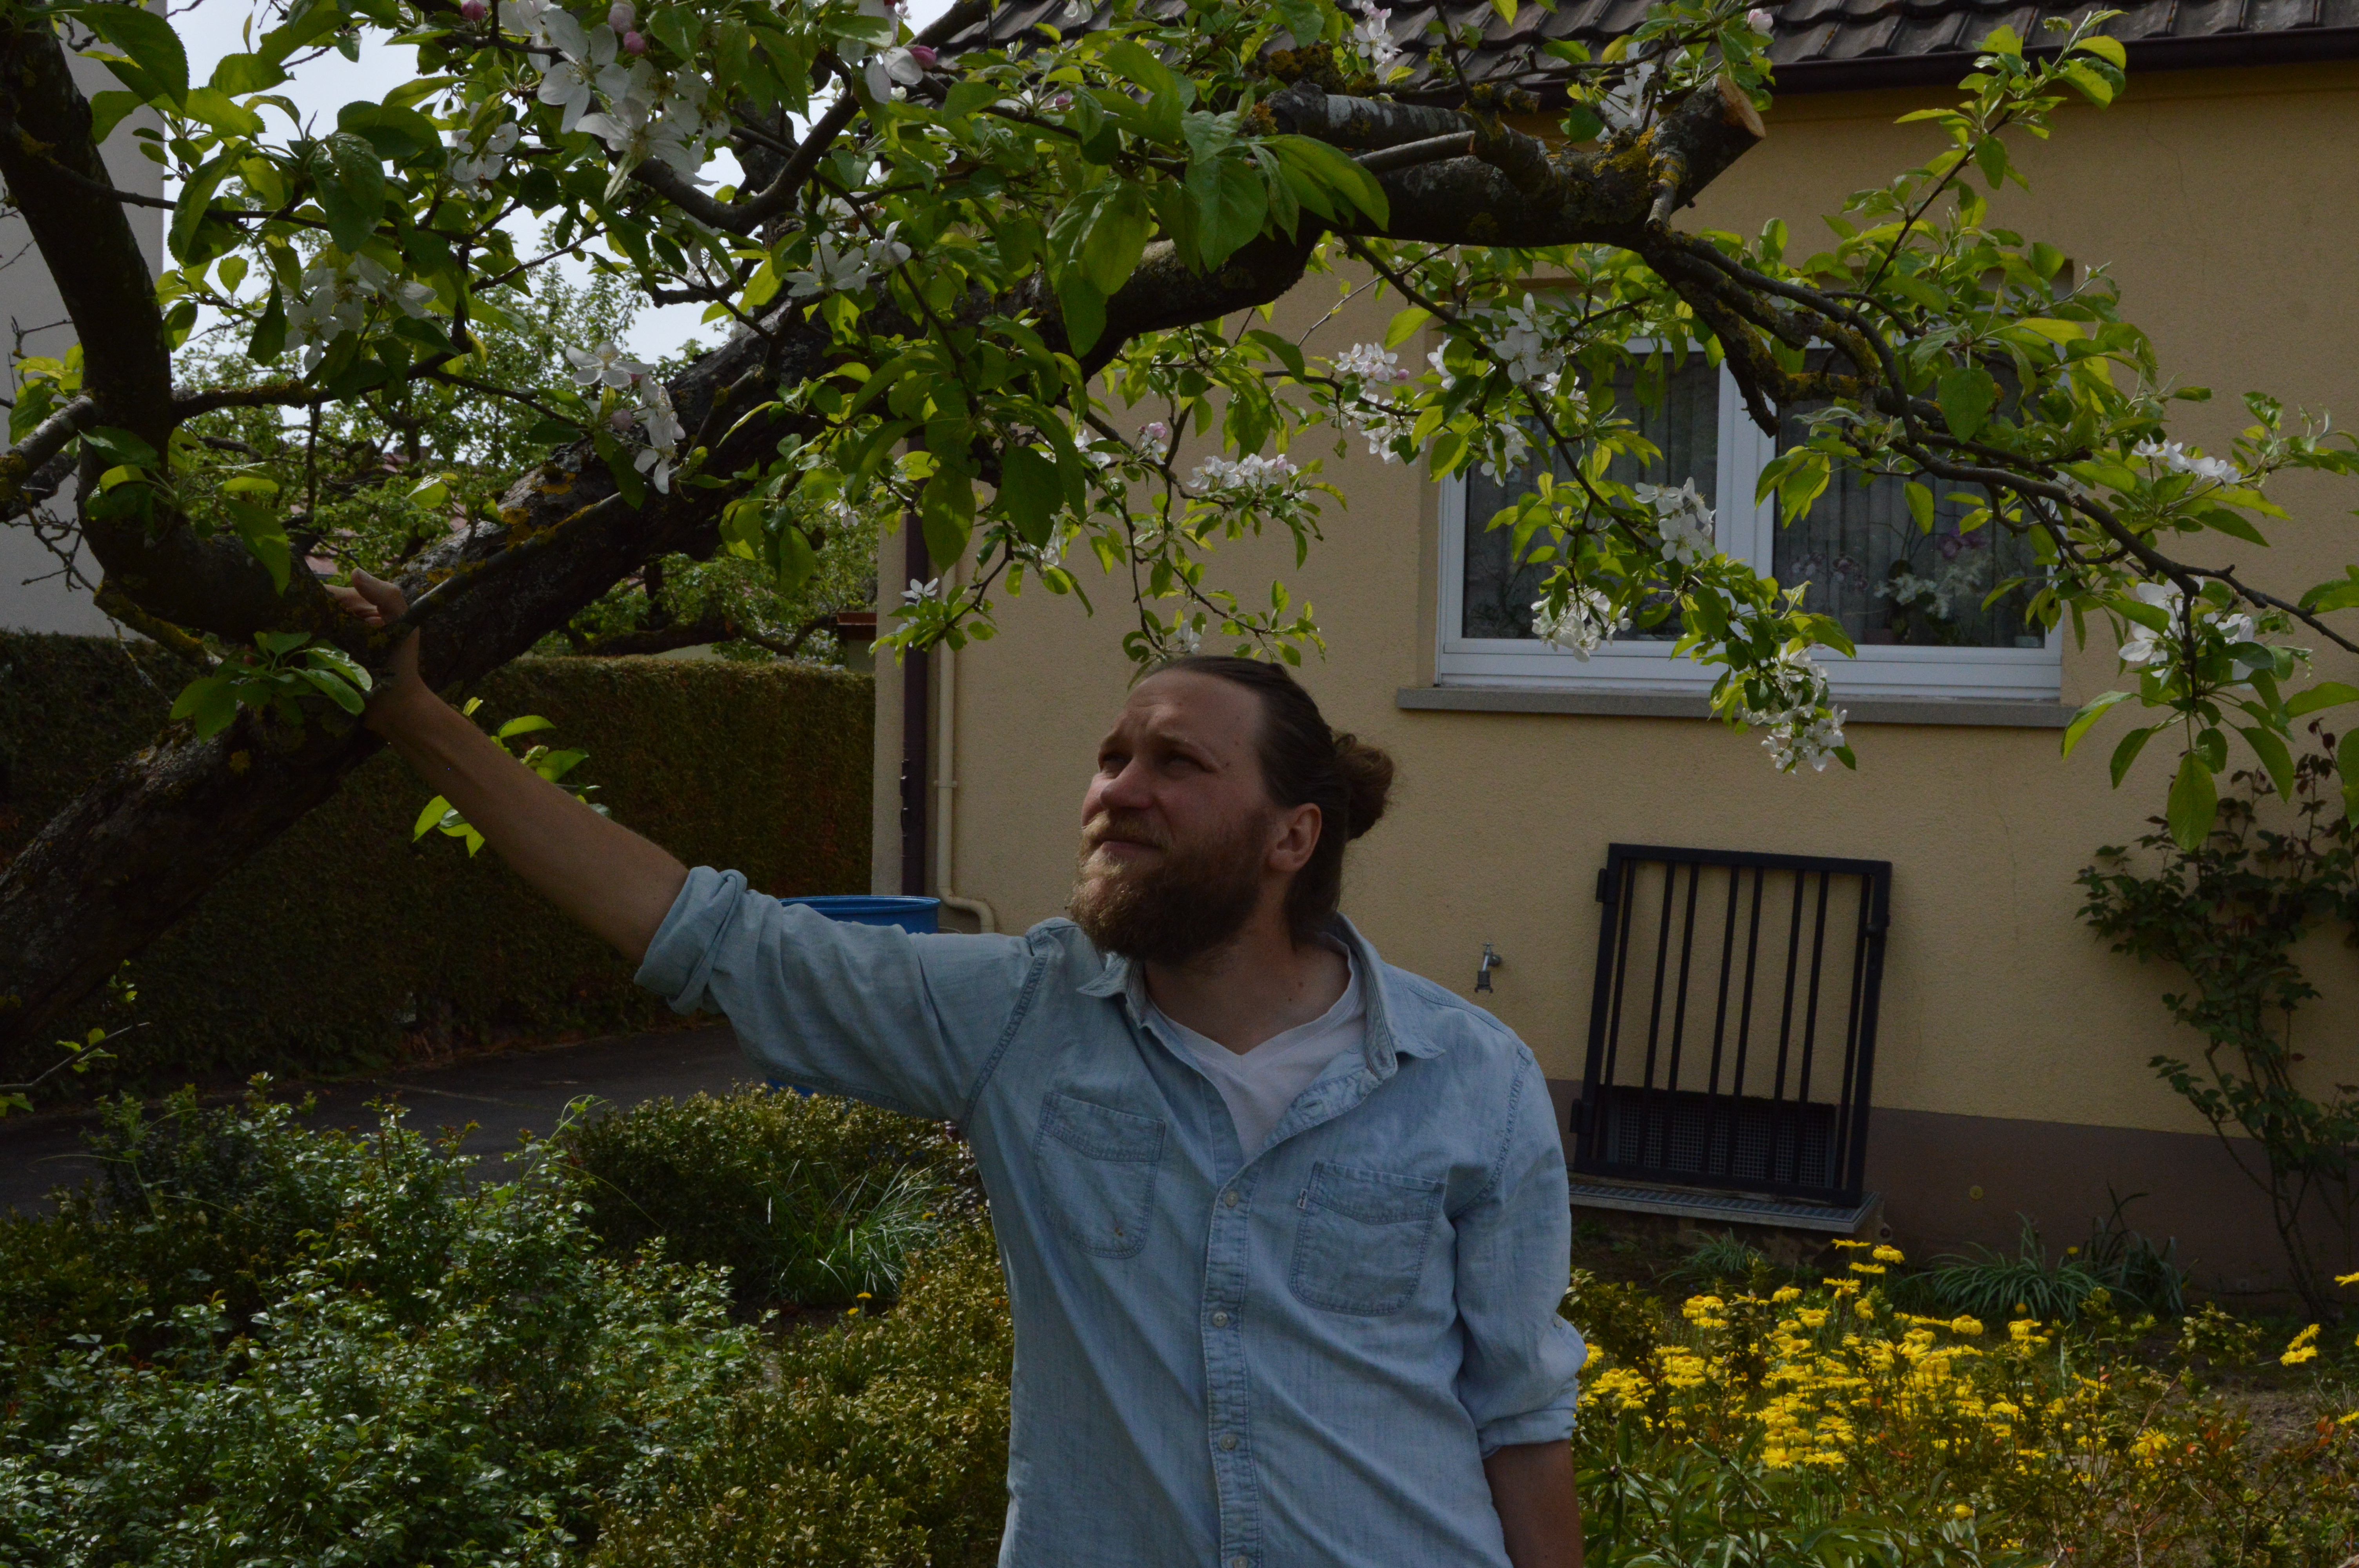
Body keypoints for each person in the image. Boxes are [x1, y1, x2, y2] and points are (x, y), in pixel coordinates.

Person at [336, 569, 1587, 1568]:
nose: (1118, 792)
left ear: (1292, 837)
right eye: (1112, 758)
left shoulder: (1469, 1075)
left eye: (1176, 764)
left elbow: (1521, 1417)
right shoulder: (1021, 1016)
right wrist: (410, 711)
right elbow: (709, 935)